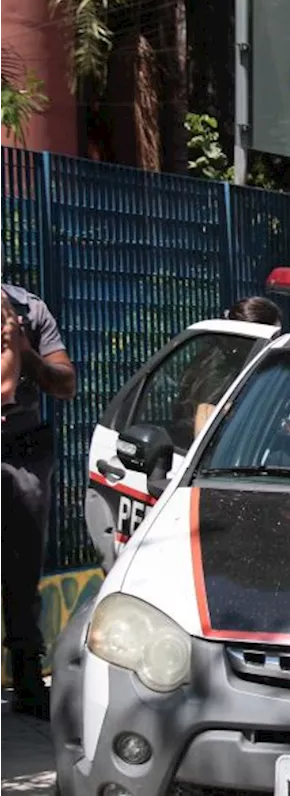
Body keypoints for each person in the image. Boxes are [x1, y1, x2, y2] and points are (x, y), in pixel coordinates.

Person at [0, 247, 77, 721]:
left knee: (22, 571)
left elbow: (65, 384)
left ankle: (28, 679)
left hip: (22, 451)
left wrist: (26, 353)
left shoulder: (30, 310)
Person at [187, 296, 283, 438]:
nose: (276, 344)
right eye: (274, 338)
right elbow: (205, 420)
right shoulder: (220, 367)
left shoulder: (234, 359)